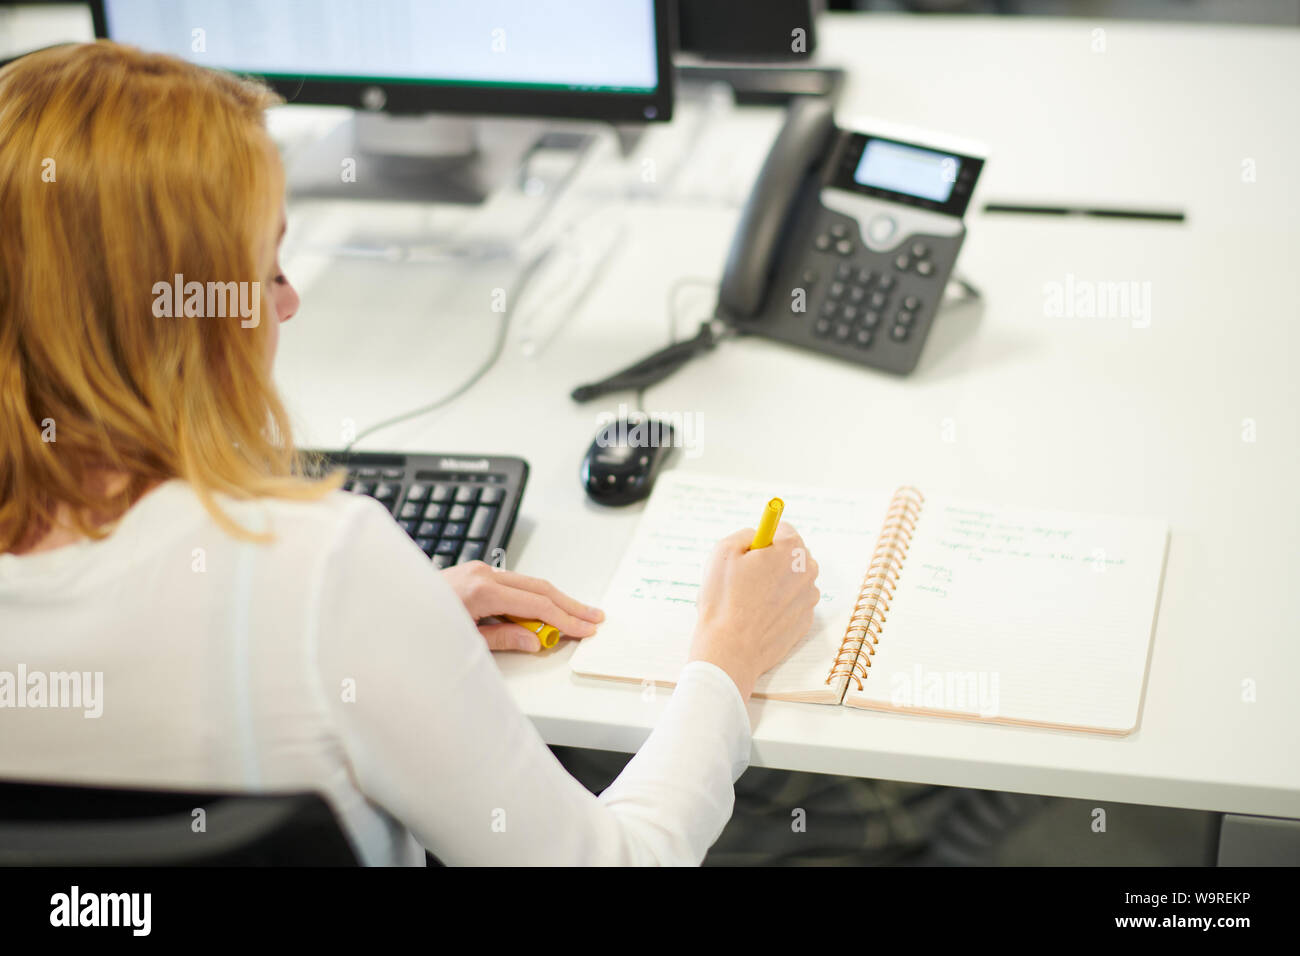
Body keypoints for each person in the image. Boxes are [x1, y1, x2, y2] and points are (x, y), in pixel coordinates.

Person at [0, 42, 820, 865]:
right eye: (263, 267)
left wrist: (401, 628)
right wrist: (726, 659)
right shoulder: (323, 570)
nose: (288, 301)